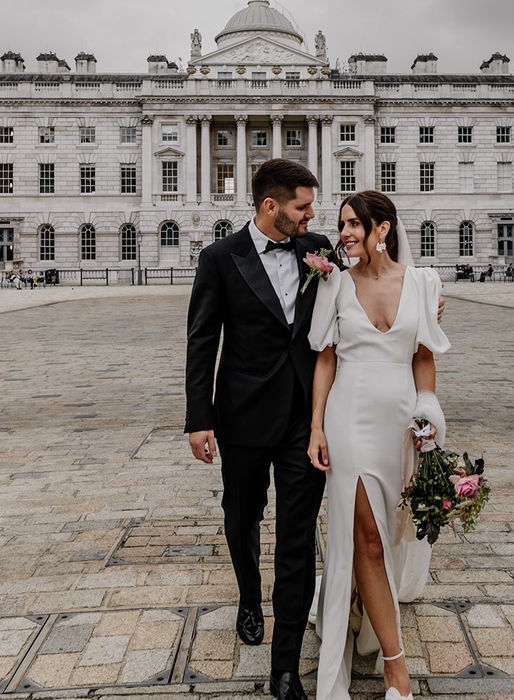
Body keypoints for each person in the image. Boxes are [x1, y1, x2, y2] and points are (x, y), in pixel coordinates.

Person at [185, 159, 334, 700]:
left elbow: (360, 292)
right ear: (271, 206)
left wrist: (421, 297)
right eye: (302, 206)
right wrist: (198, 418)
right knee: (241, 516)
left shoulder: (319, 248)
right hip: (243, 416)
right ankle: (250, 596)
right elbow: (202, 340)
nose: (310, 215)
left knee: (297, 539)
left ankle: (286, 668)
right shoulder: (220, 258)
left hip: (304, 419)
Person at [307, 191, 450, 700]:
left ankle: (361, 616)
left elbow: (424, 357)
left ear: (383, 229)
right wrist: (317, 426)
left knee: (388, 534)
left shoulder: (423, 282)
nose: (342, 233)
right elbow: (325, 358)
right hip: (350, 415)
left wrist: (428, 408)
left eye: (352, 225)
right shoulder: (335, 283)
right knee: (365, 538)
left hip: (400, 422)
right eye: (340, 225)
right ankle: (396, 668)